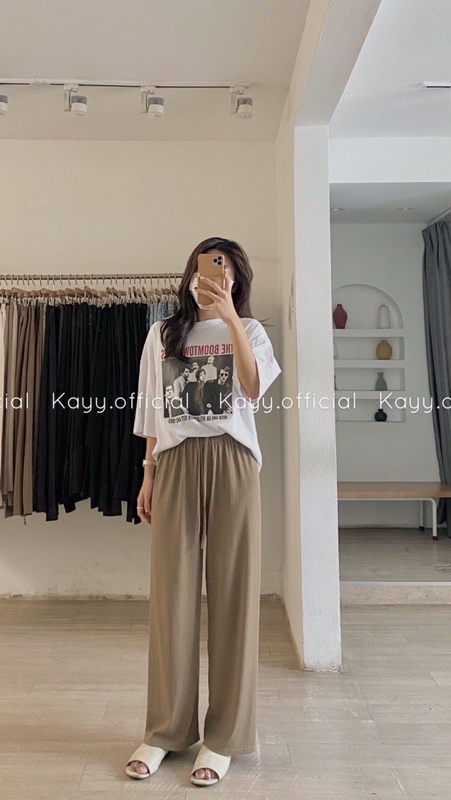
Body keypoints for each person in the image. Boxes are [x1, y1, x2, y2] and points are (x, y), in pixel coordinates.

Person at [126, 237, 281, 787]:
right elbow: (152, 408)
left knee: (235, 593)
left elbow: (253, 388)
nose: (213, 279)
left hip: (233, 460)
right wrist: (147, 473)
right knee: (171, 595)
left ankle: (225, 738)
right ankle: (166, 730)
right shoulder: (163, 333)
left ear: (237, 279)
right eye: (205, 271)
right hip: (174, 462)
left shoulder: (252, 332)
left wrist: (231, 318)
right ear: (189, 278)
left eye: (224, 272)